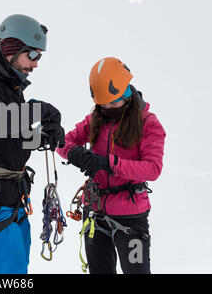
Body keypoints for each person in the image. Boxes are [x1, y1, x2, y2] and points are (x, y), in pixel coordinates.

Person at [0, 14, 65, 274]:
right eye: (33, 55)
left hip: (13, 197)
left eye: (39, 56)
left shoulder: (7, 82)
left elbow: (6, 139)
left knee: (17, 270)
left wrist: (41, 136)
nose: (36, 64)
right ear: (12, 48)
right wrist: (37, 110)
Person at [57, 57, 166, 274]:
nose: (107, 108)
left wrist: (109, 164)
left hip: (131, 217)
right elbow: (64, 142)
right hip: (95, 212)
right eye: (102, 103)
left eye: (112, 102)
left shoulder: (148, 124)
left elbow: (153, 168)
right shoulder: (96, 118)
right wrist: (75, 153)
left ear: (126, 94)